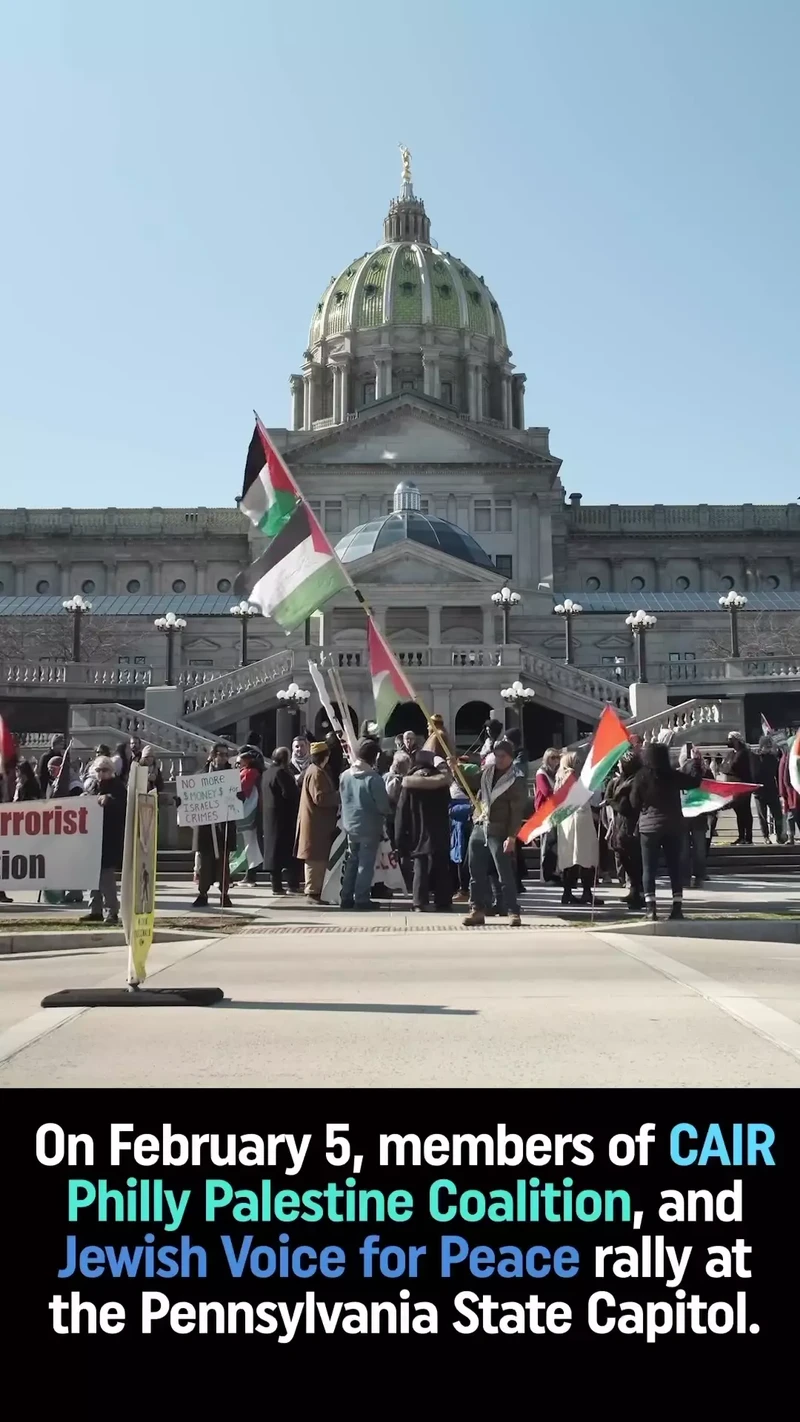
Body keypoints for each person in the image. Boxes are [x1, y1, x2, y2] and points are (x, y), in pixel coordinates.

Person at [629, 742, 702, 921]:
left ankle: (651, 909)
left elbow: (634, 802)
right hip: (673, 825)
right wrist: (696, 763)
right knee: (674, 867)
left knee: (649, 868)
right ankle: (676, 907)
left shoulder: (641, 776)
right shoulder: (672, 775)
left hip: (649, 827)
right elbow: (694, 782)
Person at [463, 739, 528, 928]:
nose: (499, 759)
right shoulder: (487, 772)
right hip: (480, 824)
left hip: (500, 830)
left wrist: (512, 836)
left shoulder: (516, 779)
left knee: (504, 873)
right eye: (497, 755)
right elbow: (470, 782)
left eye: (503, 756)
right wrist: (455, 768)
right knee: (475, 871)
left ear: (511, 757)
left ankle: (513, 910)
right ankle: (477, 909)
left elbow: (517, 811)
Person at [395, 750, 453, 911]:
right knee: (441, 864)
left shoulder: (409, 783)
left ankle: (419, 902)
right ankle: (443, 900)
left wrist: (399, 837)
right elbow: (447, 802)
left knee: (420, 863)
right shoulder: (441, 782)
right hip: (439, 827)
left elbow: (402, 811)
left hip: (417, 828)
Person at [339, 739, 392, 910]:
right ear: (374, 757)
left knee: (352, 861)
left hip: (349, 824)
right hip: (369, 825)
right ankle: (361, 899)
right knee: (366, 864)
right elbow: (383, 806)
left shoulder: (345, 775)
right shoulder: (373, 778)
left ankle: (346, 896)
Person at [81, 756, 126, 924]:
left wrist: (109, 800)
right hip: (93, 837)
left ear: (111, 771)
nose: (101, 773)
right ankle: (95, 910)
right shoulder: (93, 786)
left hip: (109, 838)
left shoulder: (118, 787)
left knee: (106, 877)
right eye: (98, 770)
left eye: (104, 770)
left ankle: (112, 911)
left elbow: (123, 806)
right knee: (92, 875)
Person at [553, 751, 601, 905]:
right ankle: (586, 892)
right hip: (578, 819)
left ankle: (567, 893)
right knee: (584, 856)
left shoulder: (559, 777)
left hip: (566, 821)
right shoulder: (572, 777)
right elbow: (580, 798)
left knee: (571, 858)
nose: (579, 764)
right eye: (577, 761)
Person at [190, 744, 235, 908]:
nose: (224, 758)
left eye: (226, 755)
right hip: (206, 826)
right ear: (213, 755)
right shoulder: (201, 775)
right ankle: (203, 893)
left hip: (223, 826)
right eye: (221, 754)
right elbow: (192, 796)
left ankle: (224, 894)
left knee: (223, 863)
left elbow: (237, 797)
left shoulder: (231, 776)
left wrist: (237, 797)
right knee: (205, 863)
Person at [295, 741, 339, 901]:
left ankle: (316, 890)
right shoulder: (316, 773)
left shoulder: (315, 770)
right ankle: (312, 891)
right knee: (315, 857)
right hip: (316, 823)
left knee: (317, 857)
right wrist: (339, 795)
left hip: (318, 822)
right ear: (325, 756)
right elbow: (320, 798)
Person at [605, 747, 644, 910]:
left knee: (634, 860)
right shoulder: (622, 780)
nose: (619, 766)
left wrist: (611, 801)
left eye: (621, 764)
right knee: (623, 857)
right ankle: (634, 890)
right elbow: (611, 795)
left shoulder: (635, 781)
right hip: (621, 824)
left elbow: (625, 807)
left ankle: (638, 893)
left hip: (632, 825)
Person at [269, 747, 302, 894]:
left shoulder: (267, 772)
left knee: (273, 854)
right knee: (290, 853)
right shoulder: (282, 773)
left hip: (270, 818)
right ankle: (292, 884)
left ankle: (276, 885)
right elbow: (290, 794)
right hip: (285, 818)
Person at [230, 747, 264, 884]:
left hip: (248, 811)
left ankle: (250, 875)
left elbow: (239, 787)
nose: (238, 765)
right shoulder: (253, 772)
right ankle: (249, 874)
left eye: (239, 762)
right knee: (249, 844)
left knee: (249, 844)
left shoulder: (250, 773)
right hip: (248, 811)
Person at [680, 744, 710, 887]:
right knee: (698, 848)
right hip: (699, 813)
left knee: (685, 848)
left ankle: (686, 878)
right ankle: (699, 876)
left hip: (686, 814)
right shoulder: (705, 771)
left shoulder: (680, 771)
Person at [535, 747, 561, 884]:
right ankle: (546, 875)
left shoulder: (555, 773)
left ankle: (554, 873)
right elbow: (546, 792)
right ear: (546, 759)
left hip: (555, 812)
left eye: (557, 757)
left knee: (554, 843)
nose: (555, 760)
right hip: (545, 813)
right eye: (552, 757)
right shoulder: (541, 773)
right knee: (547, 843)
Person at [722, 733, 754, 844]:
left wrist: (727, 766)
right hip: (733, 788)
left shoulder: (743, 753)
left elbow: (732, 766)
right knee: (739, 812)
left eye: (730, 739)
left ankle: (748, 837)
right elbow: (723, 768)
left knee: (745, 811)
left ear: (736, 740)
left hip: (743, 787)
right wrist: (727, 766)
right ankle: (741, 836)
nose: (728, 741)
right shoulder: (731, 753)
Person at [754, 736, 785, 844]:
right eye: (766, 746)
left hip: (772, 790)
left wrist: (780, 790)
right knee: (762, 816)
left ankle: (779, 835)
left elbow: (778, 774)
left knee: (778, 815)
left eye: (769, 746)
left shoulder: (772, 758)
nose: (768, 748)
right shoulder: (756, 758)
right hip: (759, 791)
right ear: (761, 746)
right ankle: (766, 836)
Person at [779, 742, 799, 845]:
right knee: (792, 815)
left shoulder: (787, 758)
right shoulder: (786, 758)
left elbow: (784, 777)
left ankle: (791, 837)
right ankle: (791, 837)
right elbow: (784, 777)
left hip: (792, 792)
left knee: (792, 815)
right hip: (791, 792)